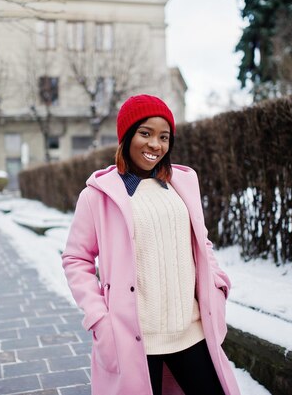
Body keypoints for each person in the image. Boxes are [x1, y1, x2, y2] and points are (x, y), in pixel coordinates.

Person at [62, 94, 241, 395]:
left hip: (191, 330)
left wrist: (218, 284)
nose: (155, 145)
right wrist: (98, 317)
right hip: (134, 339)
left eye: (164, 137)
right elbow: (75, 259)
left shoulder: (182, 184)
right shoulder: (98, 196)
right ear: (127, 136)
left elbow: (200, 242)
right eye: (145, 133)